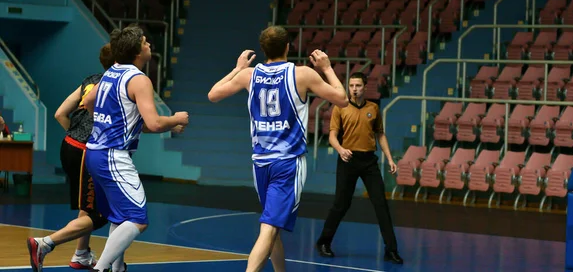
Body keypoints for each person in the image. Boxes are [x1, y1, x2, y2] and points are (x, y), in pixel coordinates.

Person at [207, 25, 348, 272]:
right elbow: (342, 99)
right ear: (287, 47)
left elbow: (212, 94)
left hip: (260, 163)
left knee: (273, 228)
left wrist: (238, 68)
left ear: (263, 50)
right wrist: (326, 68)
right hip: (288, 162)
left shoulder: (249, 75)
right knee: (270, 227)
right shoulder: (302, 74)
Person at [84, 24, 189, 272]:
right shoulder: (139, 79)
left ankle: (117, 268)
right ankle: (101, 268)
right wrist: (176, 119)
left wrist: (108, 122)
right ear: (136, 50)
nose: (149, 44)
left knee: (119, 217)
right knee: (138, 218)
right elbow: (153, 121)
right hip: (113, 156)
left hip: (94, 153)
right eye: (145, 41)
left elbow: (88, 101)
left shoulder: (111, 73)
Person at [27, 43, 114, 272]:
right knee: (102, 212)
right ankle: (44, 243)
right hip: (86, 150)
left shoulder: (90, 79)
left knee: (88, 203)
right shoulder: (116, 84)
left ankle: (81, 254)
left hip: (69, 145)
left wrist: (75, 136)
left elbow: (59, 113)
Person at [315, 72, 403, 264]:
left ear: (365, 87)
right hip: (348, 159)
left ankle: (391, 250)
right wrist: (340, 149)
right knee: (341, 204)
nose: (354, 89)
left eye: (358, 86)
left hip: (369, 161)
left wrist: (389, 159)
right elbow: (332, 136)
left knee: (381, 204)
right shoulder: (340, 107)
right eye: (352, 86)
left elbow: (380, 135)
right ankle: (323, 242)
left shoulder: (374, 108)